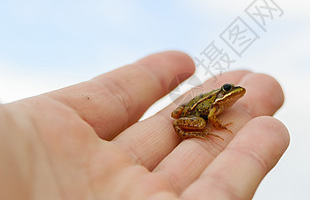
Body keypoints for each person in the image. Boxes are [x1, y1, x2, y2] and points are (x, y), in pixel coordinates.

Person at [0, 51, 289, 199]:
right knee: (201, 123)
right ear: (224, 91)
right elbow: (210, 114)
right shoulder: (215, 101)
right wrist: (214, 128)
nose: (233, 92)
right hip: (192, 116)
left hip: (187, 113)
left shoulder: (223, 100)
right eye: (229, 89)